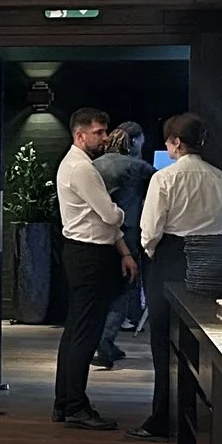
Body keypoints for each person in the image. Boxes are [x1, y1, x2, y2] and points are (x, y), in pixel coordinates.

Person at [131, 112, 222, 441]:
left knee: (164, 341)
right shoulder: (221, 178)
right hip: (214, 262)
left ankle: (162, 418)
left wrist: (151, 254)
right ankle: (206, 420)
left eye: (168, 141)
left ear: (176, 143)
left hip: (172, 258)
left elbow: (149, 230)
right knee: (205, 341)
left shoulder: (164, 178)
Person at [52, 108, 136, 430]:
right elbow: (111, 216)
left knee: (78, 331)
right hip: (89, 256)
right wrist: (120, 212)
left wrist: (123, 250)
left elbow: (107, 223)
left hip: (87, 253)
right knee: (84, 334)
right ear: (80, 134)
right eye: (99, 132)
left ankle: (67, 403)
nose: (105, 138)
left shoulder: (80, 166)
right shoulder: (81, 169)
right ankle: (74, 406)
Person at [93, 121, 149, 368]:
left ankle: (99, 340)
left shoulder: (94, 165)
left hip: (96, 236)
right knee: (123, 291)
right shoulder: (139, 168)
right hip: (128, 234)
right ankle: (105, 340)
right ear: (135, 141)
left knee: (100, 291)